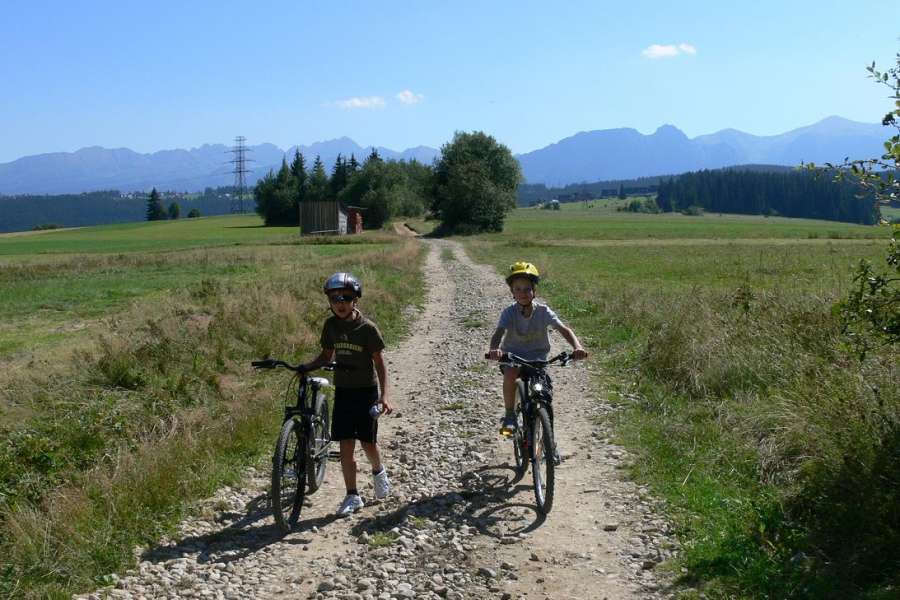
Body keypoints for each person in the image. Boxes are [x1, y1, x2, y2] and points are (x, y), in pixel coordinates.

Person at [301, 272, 393, 516]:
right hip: (343, 391)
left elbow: (380, 363)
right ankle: (352, 495)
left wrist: (384, 396)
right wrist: (305, 367)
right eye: (335, 299)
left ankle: (378, 472)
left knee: (368, 443)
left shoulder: (367, 329)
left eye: (346, 298)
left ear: (355, 300)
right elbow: (326, 356)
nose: (340, 303)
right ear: (329, 302)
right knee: (345, 446)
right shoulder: (330, 326)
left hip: (366, 391)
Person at [486, 261, 588, 439]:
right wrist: (494, 349)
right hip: (512, 357)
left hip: (538, 359)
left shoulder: (543, 311)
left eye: (527, 289)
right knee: (511, 374)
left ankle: (550, 442)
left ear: (535, 291)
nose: (523, 293)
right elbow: (498, 333)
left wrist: (577, 347)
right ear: (512, 292)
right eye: (518, 289)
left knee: (544, 397)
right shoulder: (509, 313)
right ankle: (510, 415)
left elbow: (564, 330)